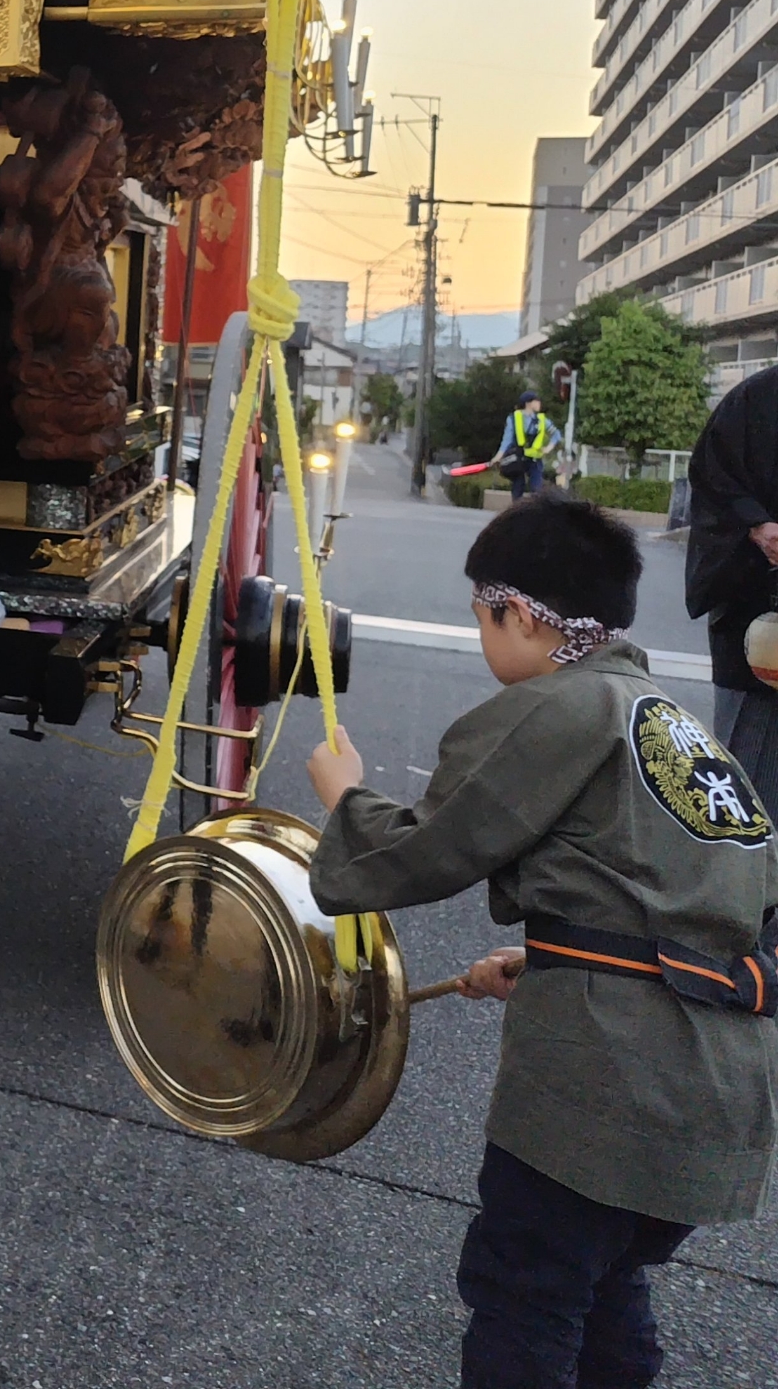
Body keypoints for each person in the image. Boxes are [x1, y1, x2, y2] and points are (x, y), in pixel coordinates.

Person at [304, 493, 778, 1389]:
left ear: (518, 614)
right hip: (721, 1089)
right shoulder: (669, 721)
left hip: (609, 1086)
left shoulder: (560, 704)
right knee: (603, 1282)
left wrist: (345, 797)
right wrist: (559, 955)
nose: (484, 637)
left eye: (482, 617)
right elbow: (715, 901)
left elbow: (424, 849)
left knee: (526, 1297)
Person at [682, 363, 778, 803]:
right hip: (759, 613)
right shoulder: (756, 399)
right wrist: (756, 525)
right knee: (746, 786)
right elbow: (712, 477)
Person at [490, 390, 561, 497]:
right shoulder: (513, 418)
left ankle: (534, 507)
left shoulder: (542, 420)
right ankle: (517, 507)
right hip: (518, 458)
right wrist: (498, 457)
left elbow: (556, 434)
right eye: (536, 401)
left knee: (537, 489)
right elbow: (507, 440)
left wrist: (548, 448)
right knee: (518, 486)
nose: (539, 403)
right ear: (528, 403)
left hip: (535, 459)